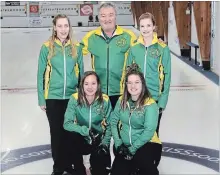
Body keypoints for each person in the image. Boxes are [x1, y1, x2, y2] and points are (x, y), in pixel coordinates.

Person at [37, 14, 84, 175]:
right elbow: (40, 74)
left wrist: (82, 97)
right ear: (54, 28)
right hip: (53, 98)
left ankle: (72, 164)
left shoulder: (76, 47)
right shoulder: (46, 47)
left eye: (66, 26)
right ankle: (58, 166)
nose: (63, 29)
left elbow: (81, 73)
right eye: (60, 26)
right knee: (57, 133)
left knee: (71, 133)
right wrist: (41, 98)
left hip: (72, 97)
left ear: (69, 28)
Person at [80, 2, 137, 109]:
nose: (107, 19)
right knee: (101, 124)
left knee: (119, 123)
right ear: (98, 18)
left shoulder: (129, 36)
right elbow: (74, 53)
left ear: (116, 16)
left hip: (122, 91)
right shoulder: (91, 37)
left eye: (111, 15)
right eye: (103, 16)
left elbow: (142, 55)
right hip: (99, 92)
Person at [111, 63, 162, 175]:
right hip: (125, 146)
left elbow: (149, 131)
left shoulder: (150, 104)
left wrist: (132, 149)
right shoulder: (121, 101)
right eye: (130, 82)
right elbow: (113, 122)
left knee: (144, 163)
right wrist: (118, 144)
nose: (133, 86)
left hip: (147, 145)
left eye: (136, 82)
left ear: (142, 84)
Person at [127, 12, 171, 136]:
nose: (145, 29)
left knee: (152, 133)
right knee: (137, 132)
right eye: (142, 26)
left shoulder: (162, 49)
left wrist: (162, 102)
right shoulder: (134, 48)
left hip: (154, 98)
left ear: (153, 27)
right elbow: (128, 73)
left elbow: (167, 76)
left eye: (148, 25)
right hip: (136, 97)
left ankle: (153, 155)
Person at [63, 71, 112, 175]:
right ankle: (78, 168)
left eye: (93, 83)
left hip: (97, 140)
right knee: (70, 136)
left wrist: (105, 143)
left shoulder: (105, 100)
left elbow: (110, 124)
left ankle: (97, 165)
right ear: (82, 85)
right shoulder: (74, 98)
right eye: (86, 84)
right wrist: (84, 131)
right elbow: (67, 123)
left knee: (100, 171)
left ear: (98, 85)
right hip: (81, 139)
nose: (90, 87)